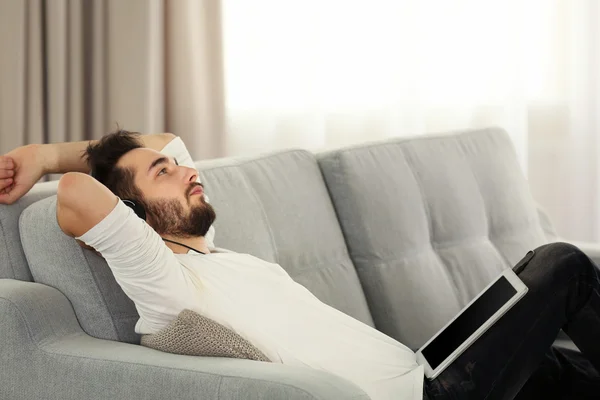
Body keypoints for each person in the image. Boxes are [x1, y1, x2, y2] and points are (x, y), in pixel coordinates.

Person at [0, 130, 599, 400]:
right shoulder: (164, 281)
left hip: (426, 366)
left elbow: (166, 139)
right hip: (427, 396)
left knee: (552, 369)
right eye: (164, 174)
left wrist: (146, 162)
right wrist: (43, 156)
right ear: (129, 212)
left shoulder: (215, 254)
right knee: (560, 264)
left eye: (179, 168)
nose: (188, 169)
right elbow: (79, 192)